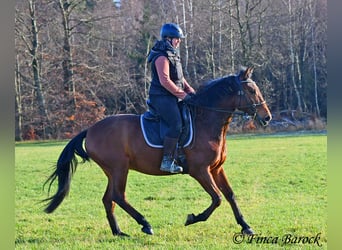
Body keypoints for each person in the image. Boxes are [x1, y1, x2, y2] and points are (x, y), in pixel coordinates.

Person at [147, 23, 195, 173]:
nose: (179, 41)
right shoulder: (161, 56)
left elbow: (180, 78)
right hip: (161, 97)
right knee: (176, 124)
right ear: (168, 39)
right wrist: (183, 95)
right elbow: (165, 81)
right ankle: (167, 161)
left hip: (171, 96)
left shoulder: (172, 53)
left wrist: (191, 92)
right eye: (177, 39)